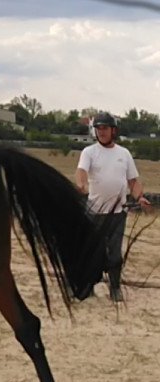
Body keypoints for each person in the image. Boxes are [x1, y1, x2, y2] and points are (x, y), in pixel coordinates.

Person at [75, 112, 152, 302]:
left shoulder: (123, 154)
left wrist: (140, 197)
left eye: (105, 128)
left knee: (115, 254)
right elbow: (81, 171)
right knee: (92, 251)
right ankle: (87, 286)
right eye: (98, 128)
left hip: (118, 213)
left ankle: (115, 288)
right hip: (94, 212)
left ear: (113, 131)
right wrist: (81, 184)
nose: (101, 132)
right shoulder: (89, 152)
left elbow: (133, 181)